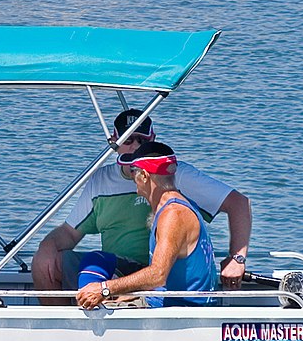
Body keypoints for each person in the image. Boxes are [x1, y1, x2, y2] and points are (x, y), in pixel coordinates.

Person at [32, 109, 251, 304]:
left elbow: (157, 275)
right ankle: (73, 325)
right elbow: (70, 232)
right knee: (91, 261)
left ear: (145, 176)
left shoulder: (173, 206)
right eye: (128, 140)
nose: (135, 146)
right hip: (135, 273)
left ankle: (92, 321)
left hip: (168, 291)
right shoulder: (156, 193)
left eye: (141, 140)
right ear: (115, 141)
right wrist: (47, 246)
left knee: (106, 293)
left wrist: (237, 258)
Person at [77, 142, 214, 310]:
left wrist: (104, 289)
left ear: (143, 176)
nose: (132, 178)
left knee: (98, 298)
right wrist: (130, 293)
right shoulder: (176, 205)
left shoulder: (173, 214)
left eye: (133, 171)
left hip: (177, 309)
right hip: (165, 300)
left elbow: (158, 275)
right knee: (96, 259)